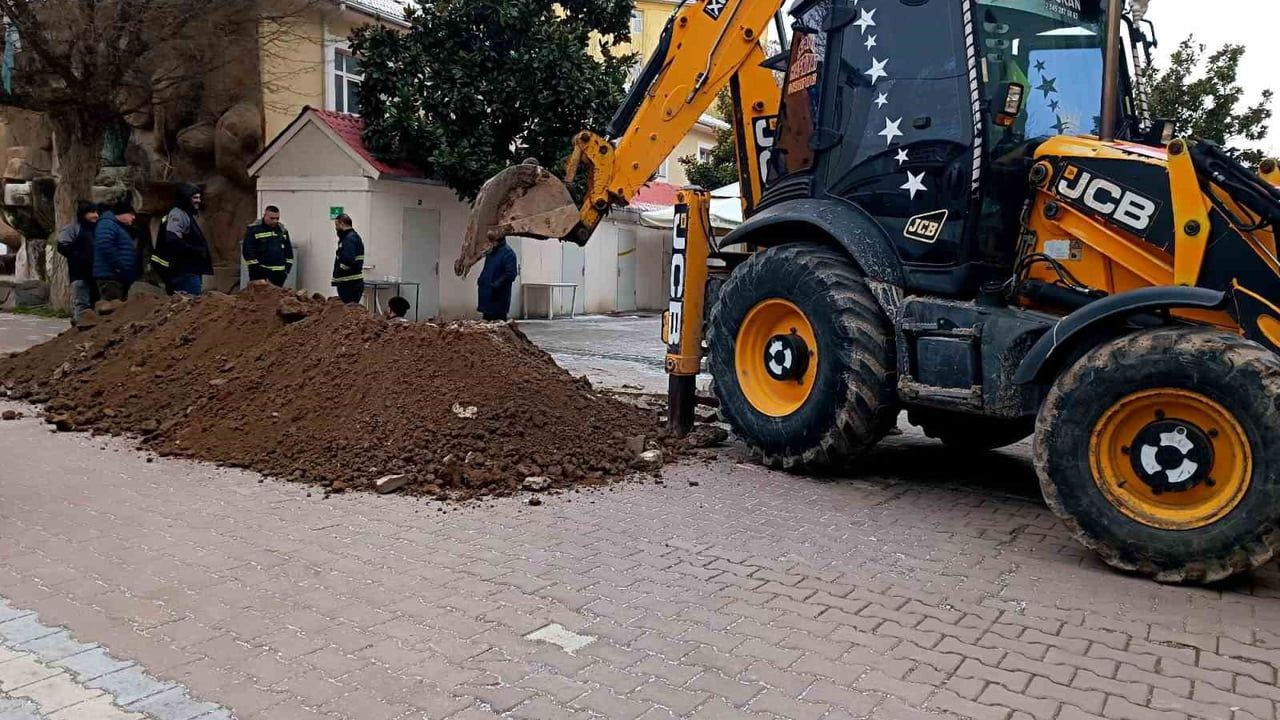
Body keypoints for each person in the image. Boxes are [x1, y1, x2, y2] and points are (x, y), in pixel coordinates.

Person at [152, 183, 212, 296]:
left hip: (185, 270)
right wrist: (196, 250)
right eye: (195, 198)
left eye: (199, 197)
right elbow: (173, 240)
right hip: (185, 272)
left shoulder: (182, 214)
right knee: (192, 301)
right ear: (186, 198)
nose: (199, 200)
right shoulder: (178, 214)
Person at [56, 201, 101, 324]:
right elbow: (62, 246)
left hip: (96, 273)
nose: (96, 215)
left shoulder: (98, 229)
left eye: (97, 212)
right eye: (92, 212)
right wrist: (79, 255)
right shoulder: (72, 228)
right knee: (82, 303)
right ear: (83, 213)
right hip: (79, 273)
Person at [93, 200, 140, 302]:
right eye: (131, 214)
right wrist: (119, 266)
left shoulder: (116, 226)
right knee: (111, 306)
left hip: (117, 276)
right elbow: (105, 245)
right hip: (110, 277)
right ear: (122, 213)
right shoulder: (107, 224)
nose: (133, 217)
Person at [242, 205, 294, 287]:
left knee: (276, 294)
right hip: (259, 273)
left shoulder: (282, 230)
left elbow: (288, 250)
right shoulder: (254, 229)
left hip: (279, 273)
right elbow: (248, 250)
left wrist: (287, 269)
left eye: (277, 218)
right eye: (272, 218)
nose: (275, 221)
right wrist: (255, 268)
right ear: (265, 216)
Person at [476, 236, 518, 321]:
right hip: (487, 295)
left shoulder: (508, 253)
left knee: (498, 324)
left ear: (497, 241)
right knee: (486, 323)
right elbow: (487, 269)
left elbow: (510, 274)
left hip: (498, 298)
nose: (489, 243)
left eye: (491, 241)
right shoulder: (491, 252)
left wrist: (496, 284)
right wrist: (481, 280)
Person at [331, 213, 365, 304]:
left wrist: (340, 270)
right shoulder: (352, 237)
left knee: (349, 309)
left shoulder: (349, 239)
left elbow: (348, 259)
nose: (336, 228)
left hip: (349, 283)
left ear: (342, 224)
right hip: (351, 282)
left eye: (336, 225)